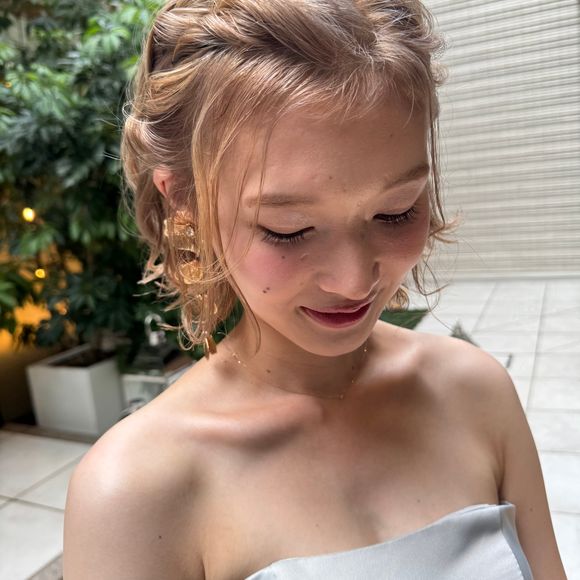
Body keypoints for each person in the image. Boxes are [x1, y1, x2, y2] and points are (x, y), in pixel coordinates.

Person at [63, 1, 567, 579]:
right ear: (184, 200)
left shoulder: (477, 392)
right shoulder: (134, 492)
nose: (354, 280)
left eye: (396, 211)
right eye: (288, 229)